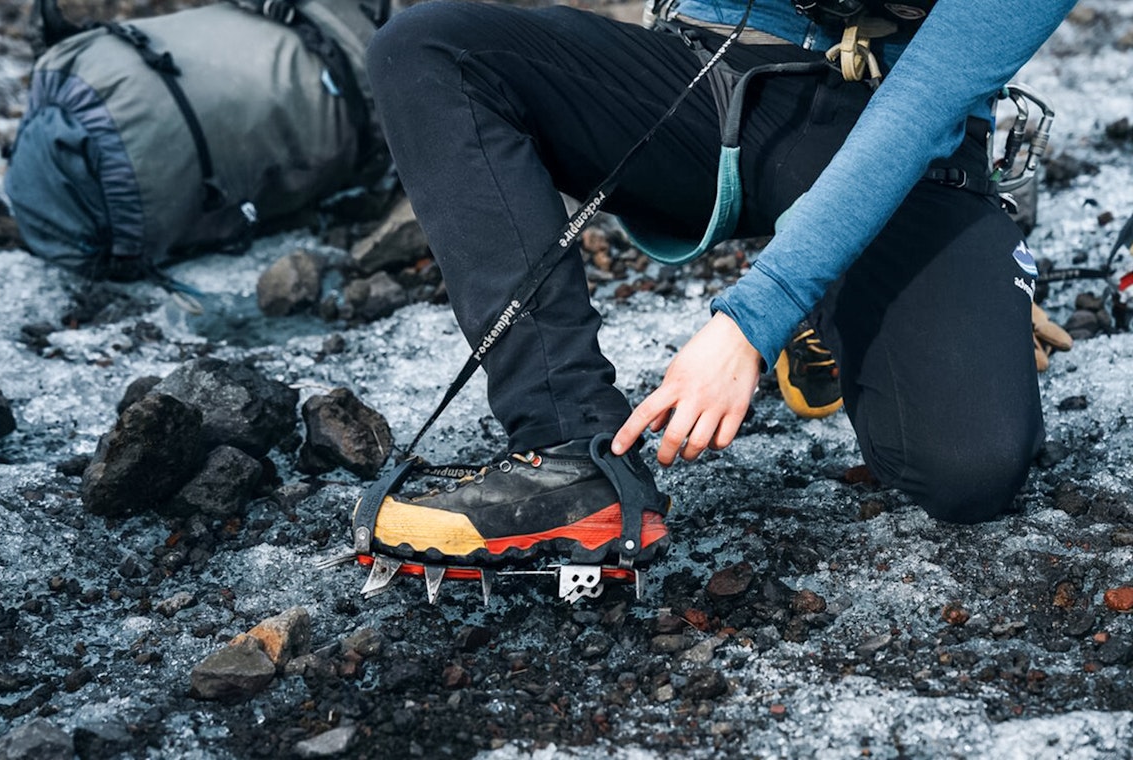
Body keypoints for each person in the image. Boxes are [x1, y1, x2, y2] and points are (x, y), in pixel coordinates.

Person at [351, 0, 1078, 568]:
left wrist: (756, 317)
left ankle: (825, 287)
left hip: (898, 127)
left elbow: (924, 107)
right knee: (428, 49)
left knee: (970, 469)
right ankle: (568, 453)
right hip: (704, 78)